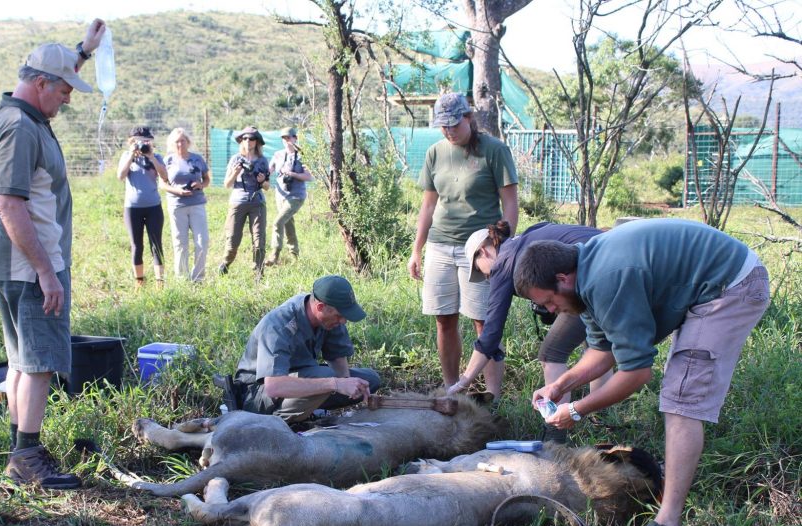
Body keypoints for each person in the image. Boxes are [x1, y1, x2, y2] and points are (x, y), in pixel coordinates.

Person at [513, 218, 770, 526]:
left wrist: (577, 410)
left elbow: (636, 373)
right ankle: (669, 507)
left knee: (681, 399)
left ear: (563, 278)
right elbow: (602, 352)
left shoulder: (606, 278)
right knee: (678, 391)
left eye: (547, 302)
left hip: (731, 286)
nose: (548, 311)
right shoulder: (585, 281)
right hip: (710, 284)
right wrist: (560, 386)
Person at [0, 20, 106, 490]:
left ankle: (22, 446)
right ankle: (26, 459)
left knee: (20, 360)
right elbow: (9, 204)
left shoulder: (19, 113)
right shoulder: (20, 128)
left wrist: (83, 52)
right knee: (39, 363)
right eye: (63, 91)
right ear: (39, 85)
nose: (68, 99)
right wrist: (45, 272)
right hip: (30, 263)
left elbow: (55, 73)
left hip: (15, 260)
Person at [447, 221, 613, 442]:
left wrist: (464, 380)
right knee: (598, 345)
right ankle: (602, 420)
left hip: (592, 275)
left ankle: (556, 436)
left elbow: (491, 334)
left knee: (552, 352)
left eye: (480, 270)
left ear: (484, 251)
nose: (486, 278)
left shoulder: (502, 264)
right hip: (610, 261)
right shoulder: (527, 236)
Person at [407, 92, 519, 396]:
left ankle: (492, 395)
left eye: (454, 125)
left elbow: (510, 203)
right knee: (444, 319)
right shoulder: (435, 152)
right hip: (440, 245)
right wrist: (417, 250)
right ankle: (451, 388)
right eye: (442, 126)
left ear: (469, 118)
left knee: (484, 321)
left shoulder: (493, 150)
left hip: (480, 247)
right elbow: (428, 205)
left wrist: (503, 246)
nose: (448, 131)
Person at [233, 275, 382, 424]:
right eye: (339, 316)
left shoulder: (329, 319)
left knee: (369, 380)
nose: (343, 321)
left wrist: (346, 383)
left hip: (303, 379)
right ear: (320, 307)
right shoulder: (278, 325)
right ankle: (276, 424)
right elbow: (274, 387)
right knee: (326, 375)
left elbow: (339, 363)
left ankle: (309, 409)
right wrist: (335, 384)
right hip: (259, 395)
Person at [117, 126, 167, 288]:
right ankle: (140, 282)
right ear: (131, 142)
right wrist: (132, 155)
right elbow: (120, 176)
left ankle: (160, 283)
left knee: (156, 244)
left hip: (153, 206)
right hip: (132, 208)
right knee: (136, 245)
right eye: (139, 141)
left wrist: (151, 157)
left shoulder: (157, 156)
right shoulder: (126, 156)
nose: (142, 144)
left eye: (146, 141)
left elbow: (165, 176)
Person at [161, 128, 210, 282]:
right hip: (177, 205)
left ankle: (198, 278)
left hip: (197, 204)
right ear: (172, 143)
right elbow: (162, 184)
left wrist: (200, 185)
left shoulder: (197, 159)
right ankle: (182, 278)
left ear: (188, 142)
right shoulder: (167, 160)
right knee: (180, 242)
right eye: (177, 141)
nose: (180, 144)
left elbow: (207, 179)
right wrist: (178, 191)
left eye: (183, 140)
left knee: (202, 241)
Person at [220, 126, 269, 278]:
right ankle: (225, 263)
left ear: (257, 142)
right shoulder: (235, 159)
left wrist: (262, 181)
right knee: (233, 240)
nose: (248, 141)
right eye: (245, 138)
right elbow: (227, 184)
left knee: (259, 239)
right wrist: (235, 172)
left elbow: (267, 187)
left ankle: (259, 272)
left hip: (257, 202)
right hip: (238, 201)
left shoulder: (262, 161)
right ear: (241, 141)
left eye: (251, 138)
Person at [264, 127, 313, 266]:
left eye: (289, 137)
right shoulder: (278, 154)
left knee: (278, 222)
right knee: (288, 224)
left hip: (296, 195)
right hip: (280, 195)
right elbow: (269, 170)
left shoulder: (303, 154)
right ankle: (294, 255)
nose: (286, 140)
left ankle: (274, 255)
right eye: (284, 138)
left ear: (295, 138)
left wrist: (292, 174)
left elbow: (309, 176)